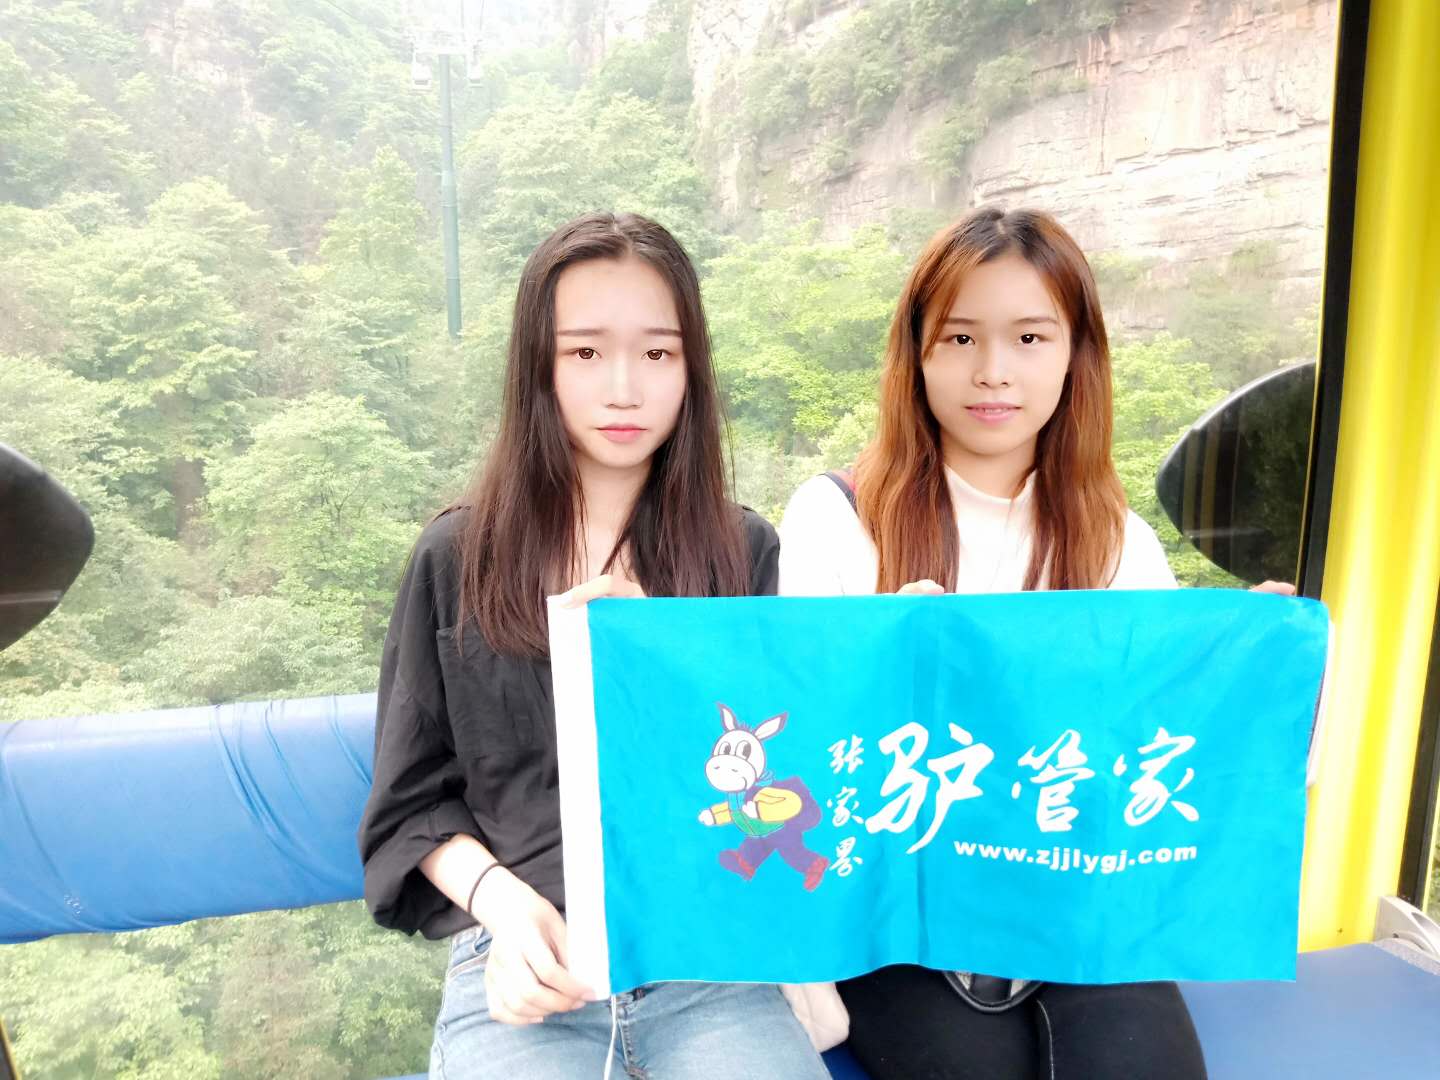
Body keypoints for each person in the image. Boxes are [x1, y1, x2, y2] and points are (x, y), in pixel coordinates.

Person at [358, 212, 828, 1080]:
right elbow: (411, 803)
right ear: (538, 368)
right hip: (525, 963)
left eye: (657, 353)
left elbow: (774, 776)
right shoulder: (458, 558)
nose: (624, 388)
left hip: (706, 965)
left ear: (690, 369)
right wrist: (505, 913)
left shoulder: (742, 552)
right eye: (584, 352)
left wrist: (656, 661)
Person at [778, 205, 1211, 1079]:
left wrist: (1269, 666)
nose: (993, 371)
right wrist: (889, 674)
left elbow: (1165, 745)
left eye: (1030, 338)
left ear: (1076, 356)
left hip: (1071, 892)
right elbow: (797, 747)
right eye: (961, 338)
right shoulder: (837, 516)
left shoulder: (1116, 540)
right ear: (918, 354)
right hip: (902, 915)